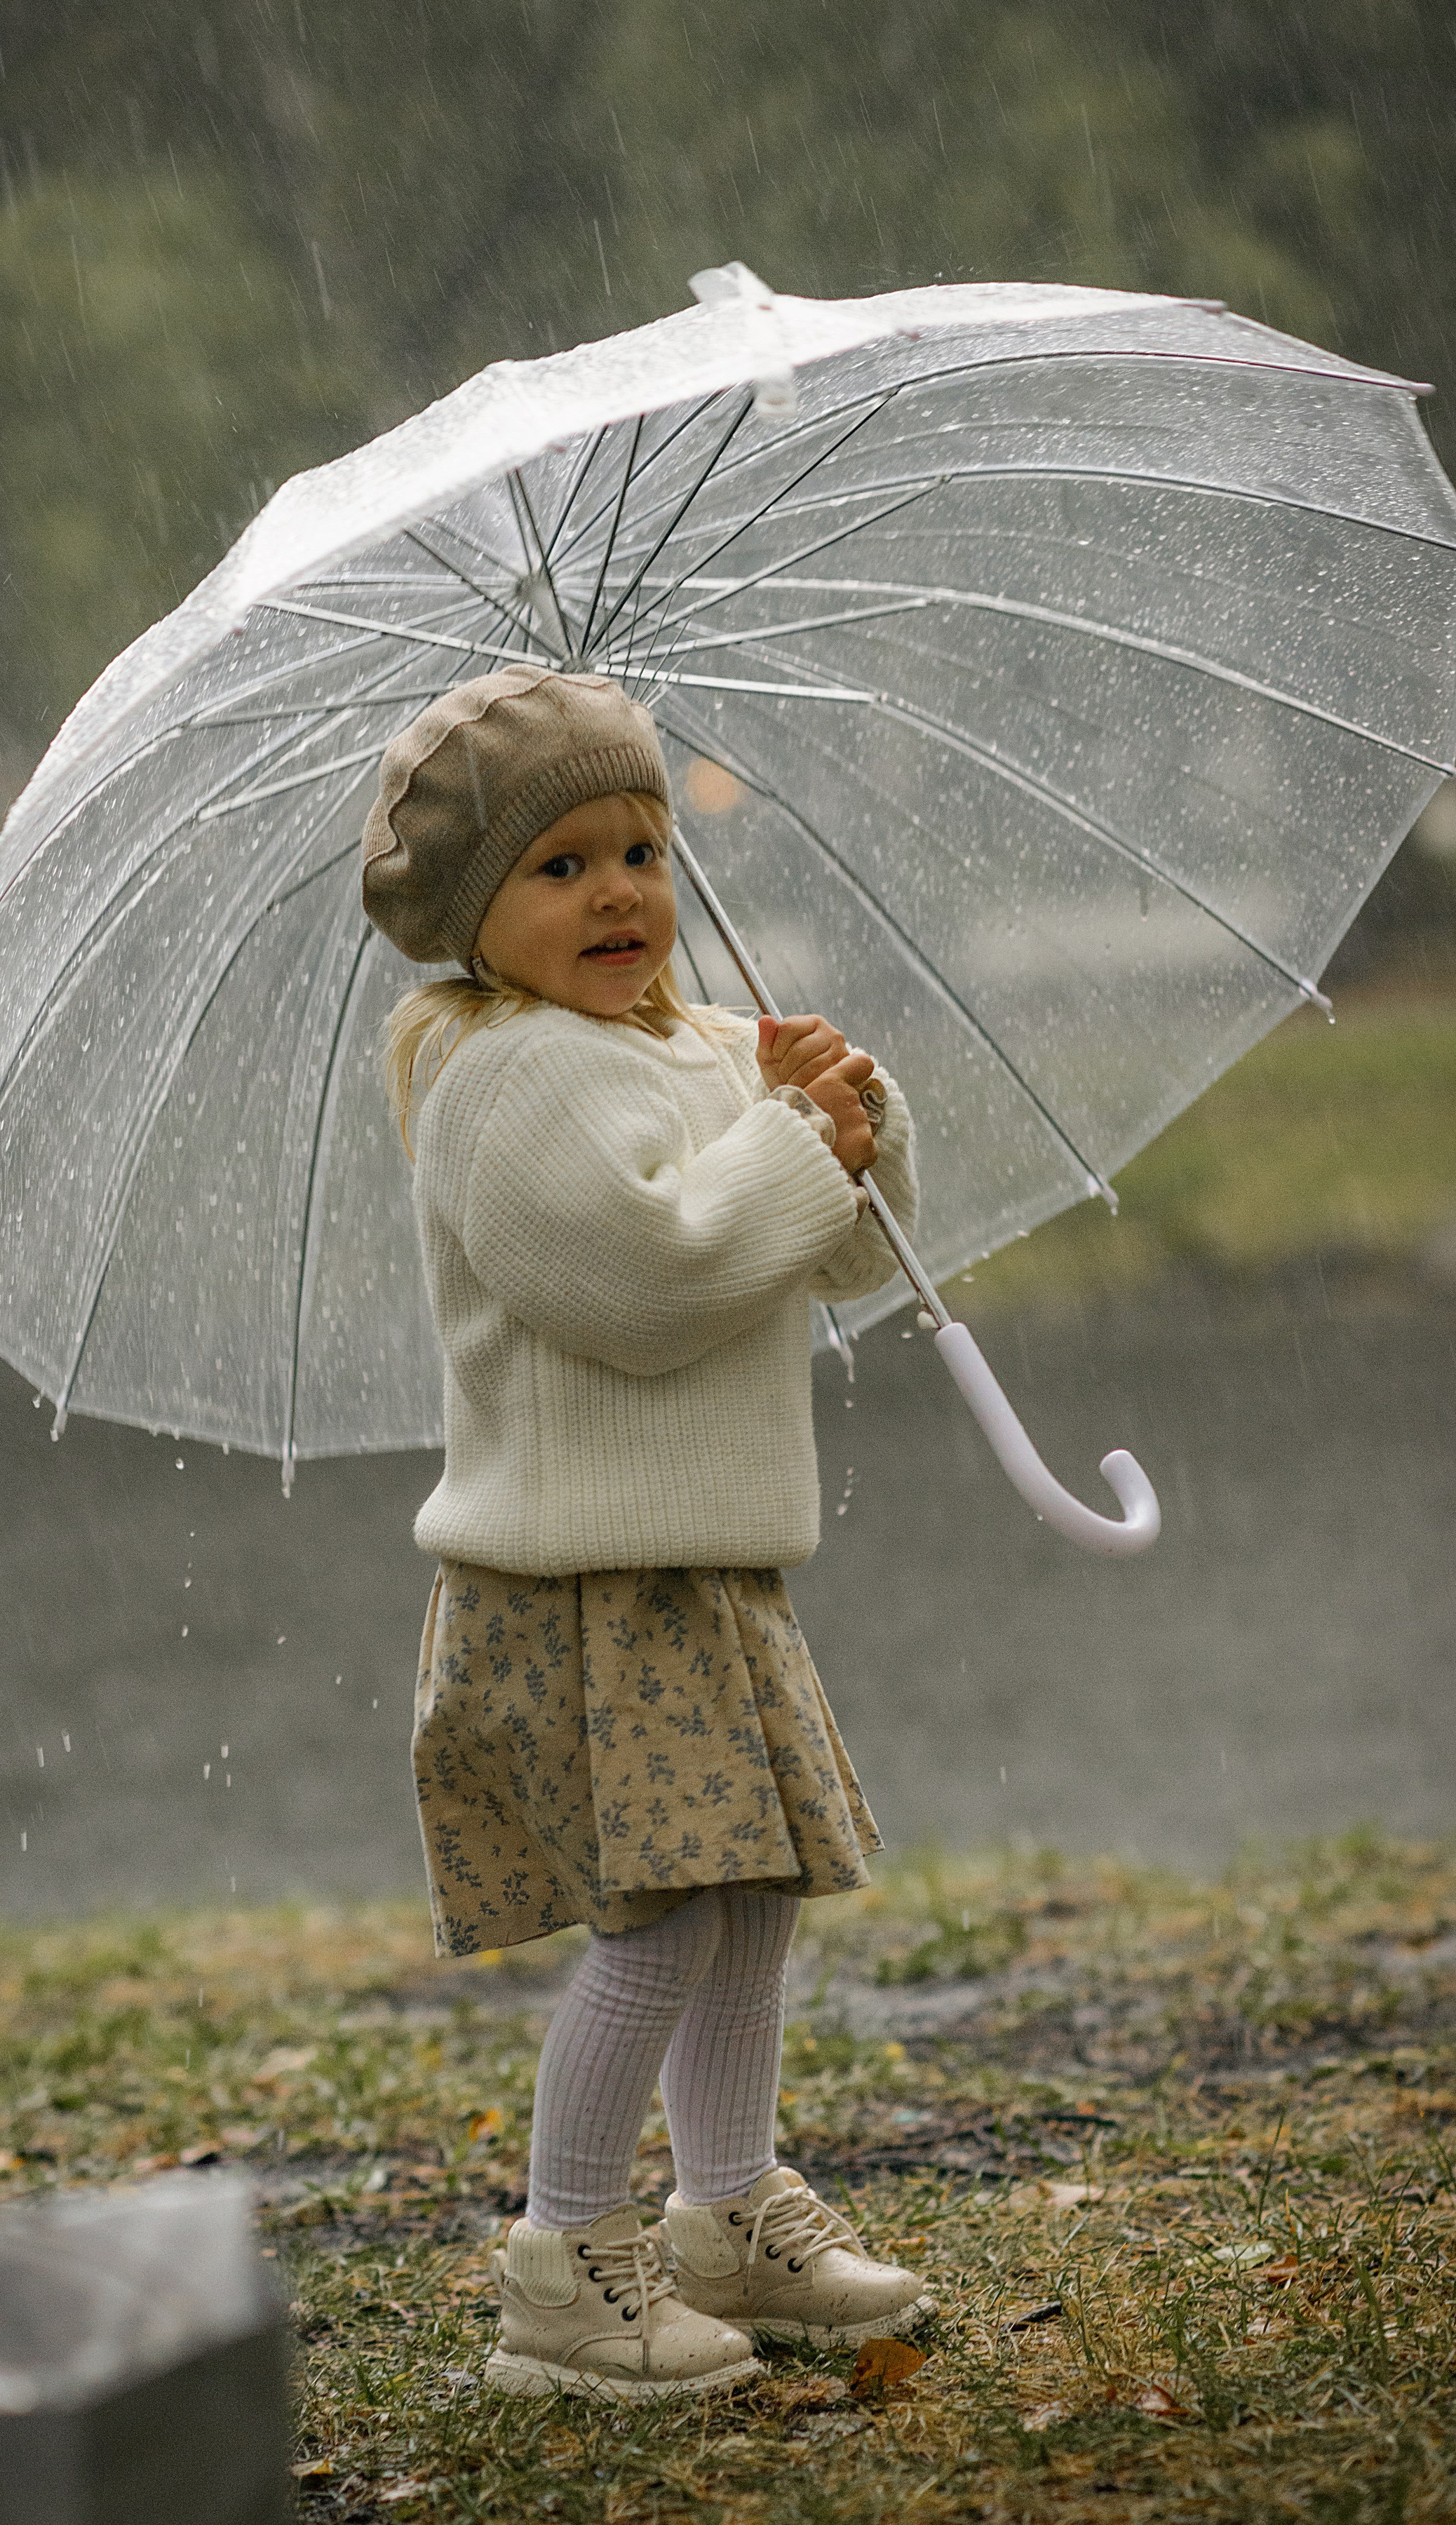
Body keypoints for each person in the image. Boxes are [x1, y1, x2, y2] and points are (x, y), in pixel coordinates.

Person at [364, 666, 932, 2402]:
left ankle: (726, 2207)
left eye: (638, 847)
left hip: (705, 1563)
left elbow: (830, 1258)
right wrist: (778, 1153)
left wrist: (854, 1126)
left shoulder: (688, 1049)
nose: (617, 891)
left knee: (747, 1904)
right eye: (558, 867)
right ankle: (565, 2260)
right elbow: (646, 1283)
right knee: (663, 1923)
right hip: (581, 1578)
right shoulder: (504, 1081)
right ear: (475, 913)